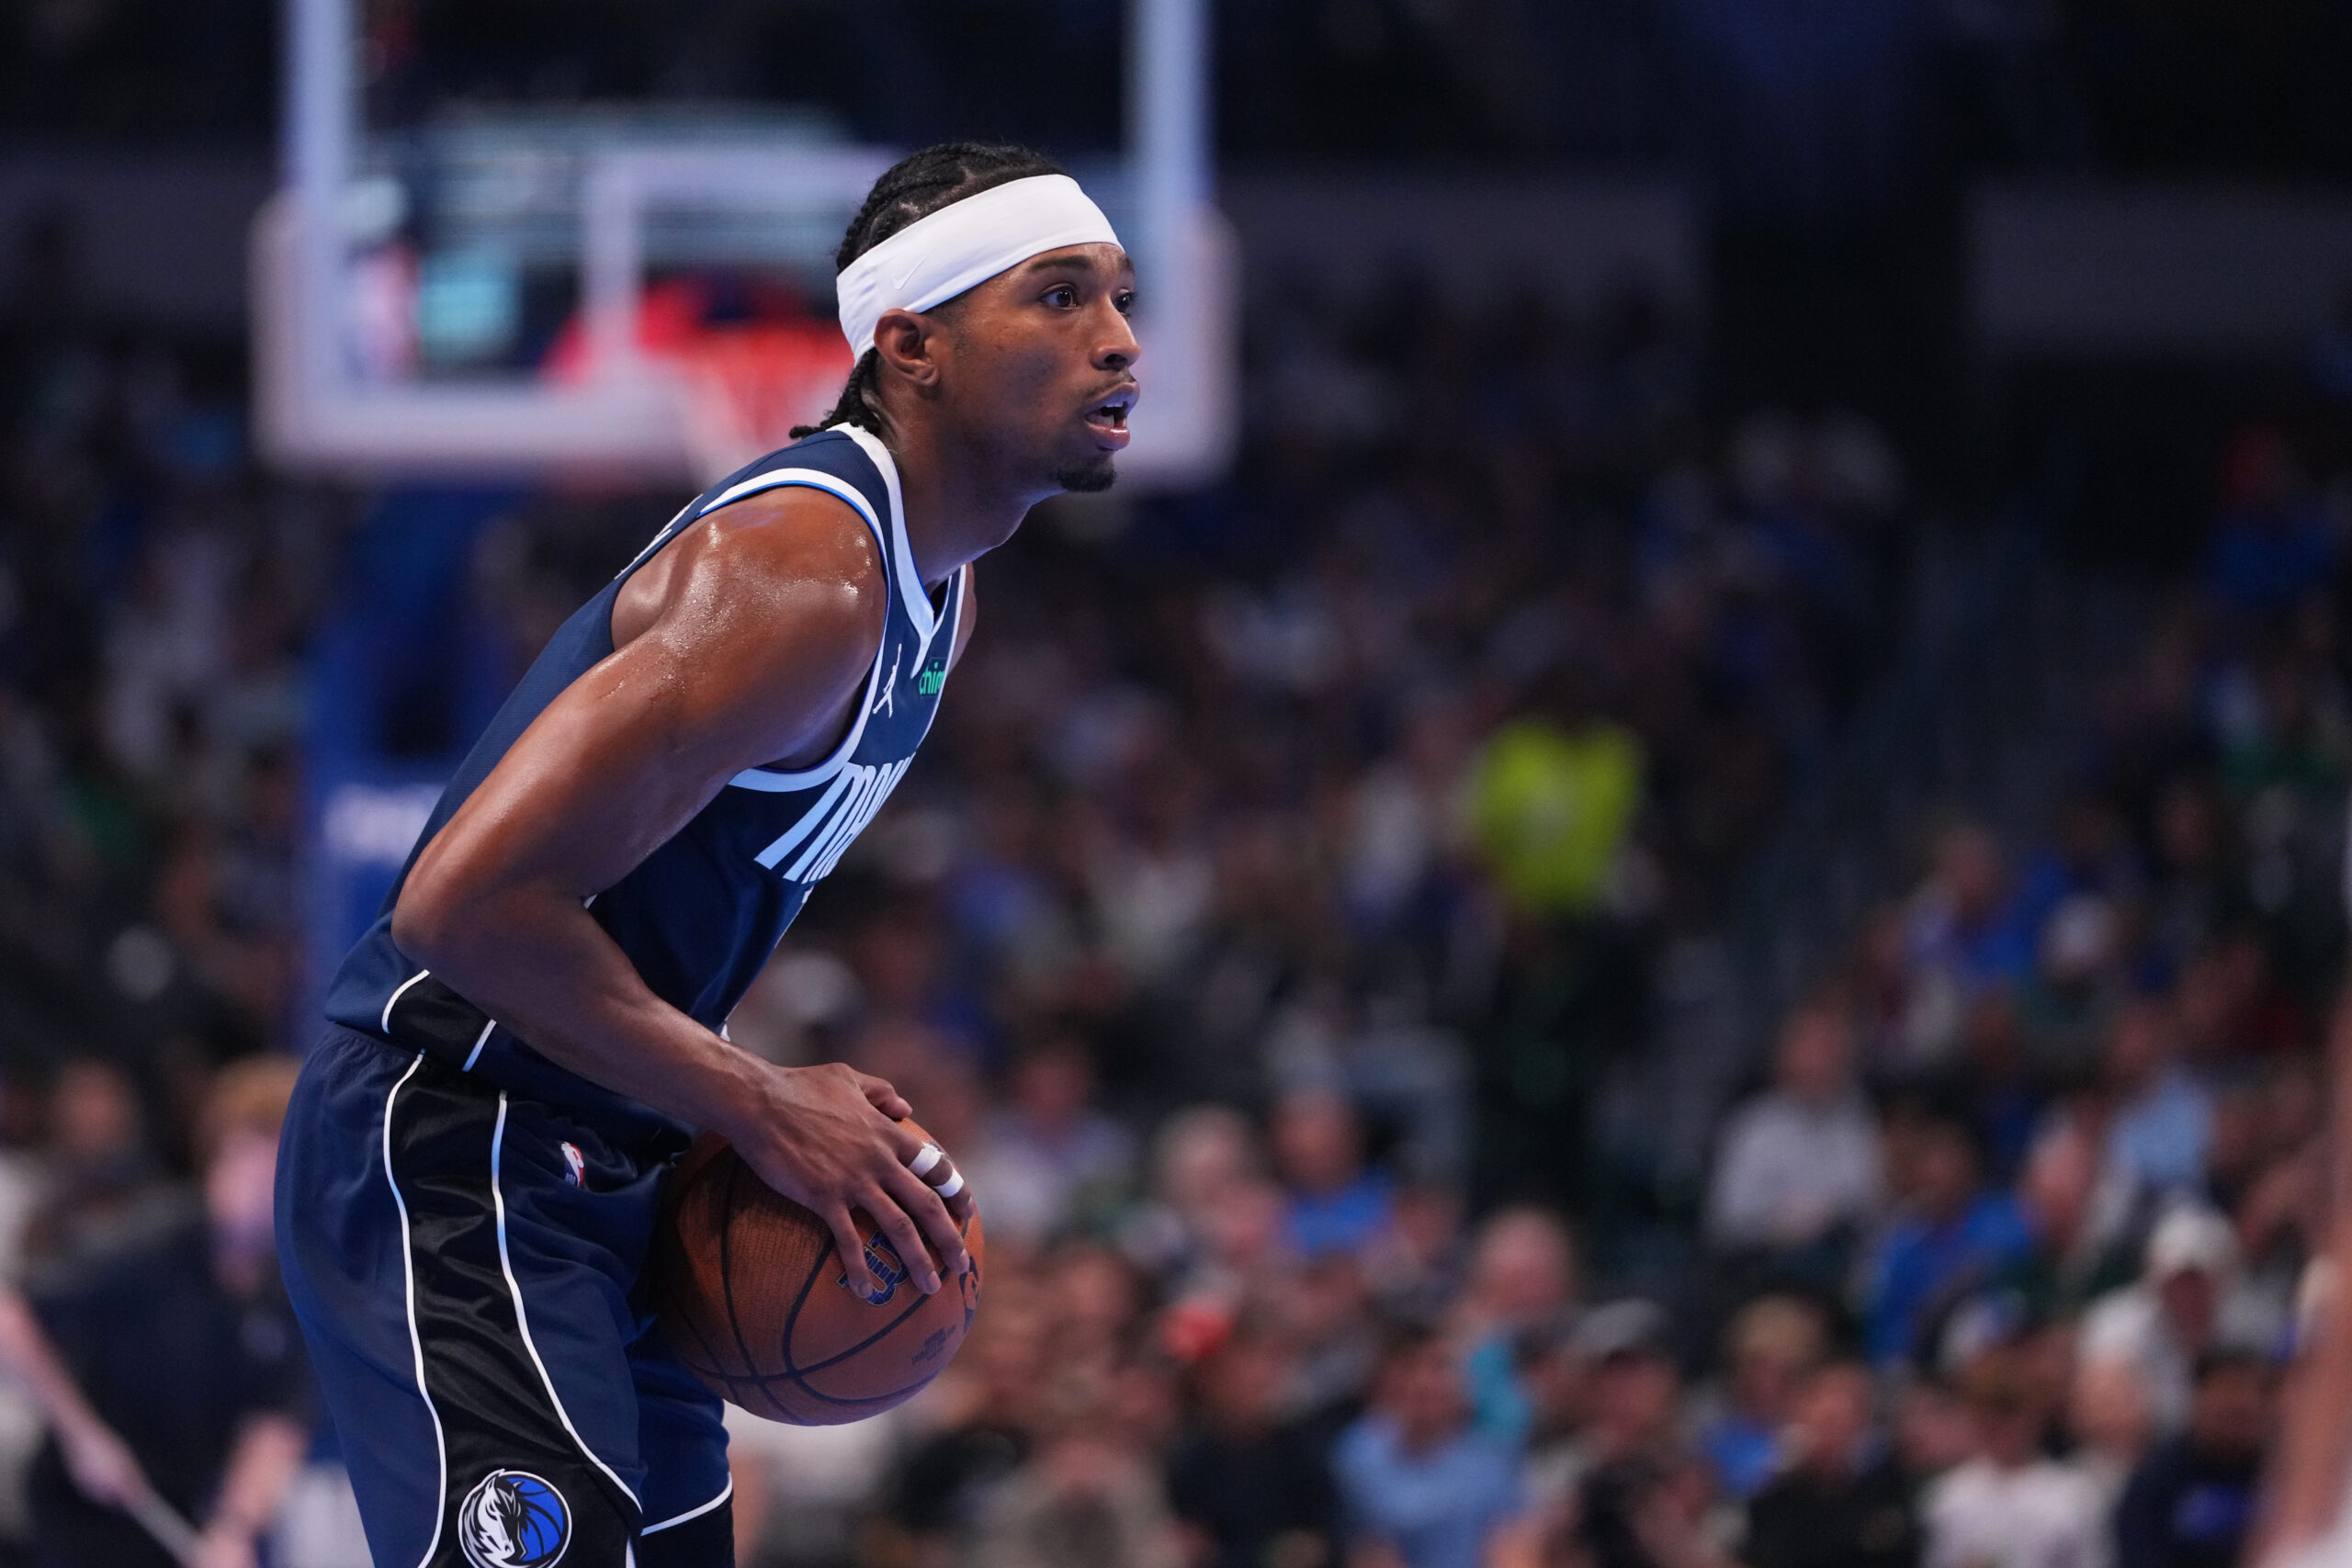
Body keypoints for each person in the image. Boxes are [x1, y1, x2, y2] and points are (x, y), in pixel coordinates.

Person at [276, 142, 1140, 1568]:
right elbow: (456, 905)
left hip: (619, 1146)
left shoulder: (941, 598)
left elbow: (661, 914)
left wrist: (748, 1098)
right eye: (1059, 296)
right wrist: (761, 1099)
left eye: (1119, 297)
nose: (1118, 339)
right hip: (457, 1135)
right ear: (911, 347)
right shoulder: (802, 575)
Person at [7, 1057, 311, 1568]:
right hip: (82, 1510)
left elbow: (275, 1424)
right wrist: (83, 1436)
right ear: (215, 1154)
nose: (255, 1179)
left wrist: (234, 1530)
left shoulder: (293, 1284)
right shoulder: (148, 1241)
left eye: (275, 1162)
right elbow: (12, 1316)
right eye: (243, 1154)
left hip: (178, 1514)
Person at [1331, 1327, 1533, 1568]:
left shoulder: (1493, 1464)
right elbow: (1367, 1549)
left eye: (1440, 1368)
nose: (1427, 1381)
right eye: (1414, 1368)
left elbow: (1511, 1548)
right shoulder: (1361, 1452)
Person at [1920, 1348, 2109, 1568]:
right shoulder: (1946, 1499)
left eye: (2012, 1417)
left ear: (2033, 1417)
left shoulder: (2074, 1497)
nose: (2005, 1432)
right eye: (1991, 1423)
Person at [1743, 1359, 1920, 1568]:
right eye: (1821, 1397)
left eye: (1849, 1403)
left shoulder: (1889, 1489)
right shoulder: (1771, 1496)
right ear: (1798, 1410)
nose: (1835, 1406)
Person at [2113, 1352, 2273, 1568]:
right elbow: (2138, 1551)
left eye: (2243, 1415)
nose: (2237, 1401)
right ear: (2198, 1400)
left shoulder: (2284, 1475)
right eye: (2226, 1412)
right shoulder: (2157, 1477)